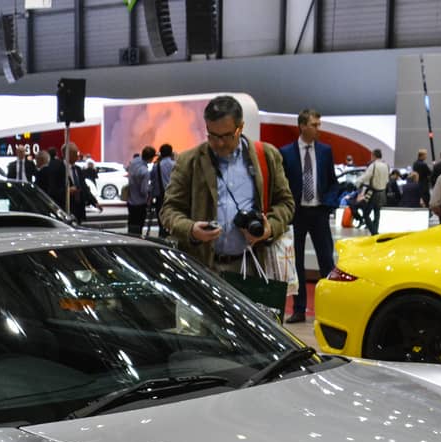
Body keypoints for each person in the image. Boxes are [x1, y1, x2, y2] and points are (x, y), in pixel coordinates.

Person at [159, 94, 294, 277]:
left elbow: (285, 203)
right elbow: (169, 210)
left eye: (226, 136)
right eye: (212, 135)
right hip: (203, 267)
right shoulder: (189, 161)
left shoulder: (267, 156)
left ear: (240, 128)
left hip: (252, 266)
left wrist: (269, 227)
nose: (219, 143)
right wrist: (191, 229)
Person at [279, 109, 337, 321]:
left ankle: (330, 309)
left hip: (319, 212)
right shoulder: (285, 153)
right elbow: (282, 184)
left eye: (319, 124)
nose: (318, 128)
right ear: (302, 126)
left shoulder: (325, 151)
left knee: (326, 262)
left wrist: (329, 204)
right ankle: (299, 309)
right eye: (314, 124)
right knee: (296, 263)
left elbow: (332, 182)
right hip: (297, 214)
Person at [126, 145, 157, 235]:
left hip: (131, 200)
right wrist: (151, 188)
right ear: (151, 158)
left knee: (131, 223)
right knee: (138, 225)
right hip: (140, 203)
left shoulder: (134, 162)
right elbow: (143, 190)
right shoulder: (144, 171)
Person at [360, 148, 390, 236]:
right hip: (382, 192)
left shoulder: (373, 165)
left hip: (373, 193)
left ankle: (374, 232)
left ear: (373, 155)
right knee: (377, 212)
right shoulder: (386, 165)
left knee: (366, 214)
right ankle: (375, 232)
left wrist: (357, 183)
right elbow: (387, 180)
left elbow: (366, 177)